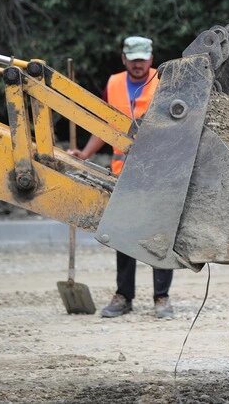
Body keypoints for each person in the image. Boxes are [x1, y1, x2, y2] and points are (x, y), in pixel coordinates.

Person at [68, 36, 174, 319]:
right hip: (124, 176)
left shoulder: (165, 82)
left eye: (142, 59)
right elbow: (105, 126)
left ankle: (161, 298)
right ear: (124, 59)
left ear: (151, 59)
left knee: (159, 236)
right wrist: (85, 154)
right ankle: (123, 296)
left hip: (158, 174)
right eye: (133, 59)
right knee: (123, 235)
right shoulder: (114, 84)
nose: (138, 64)